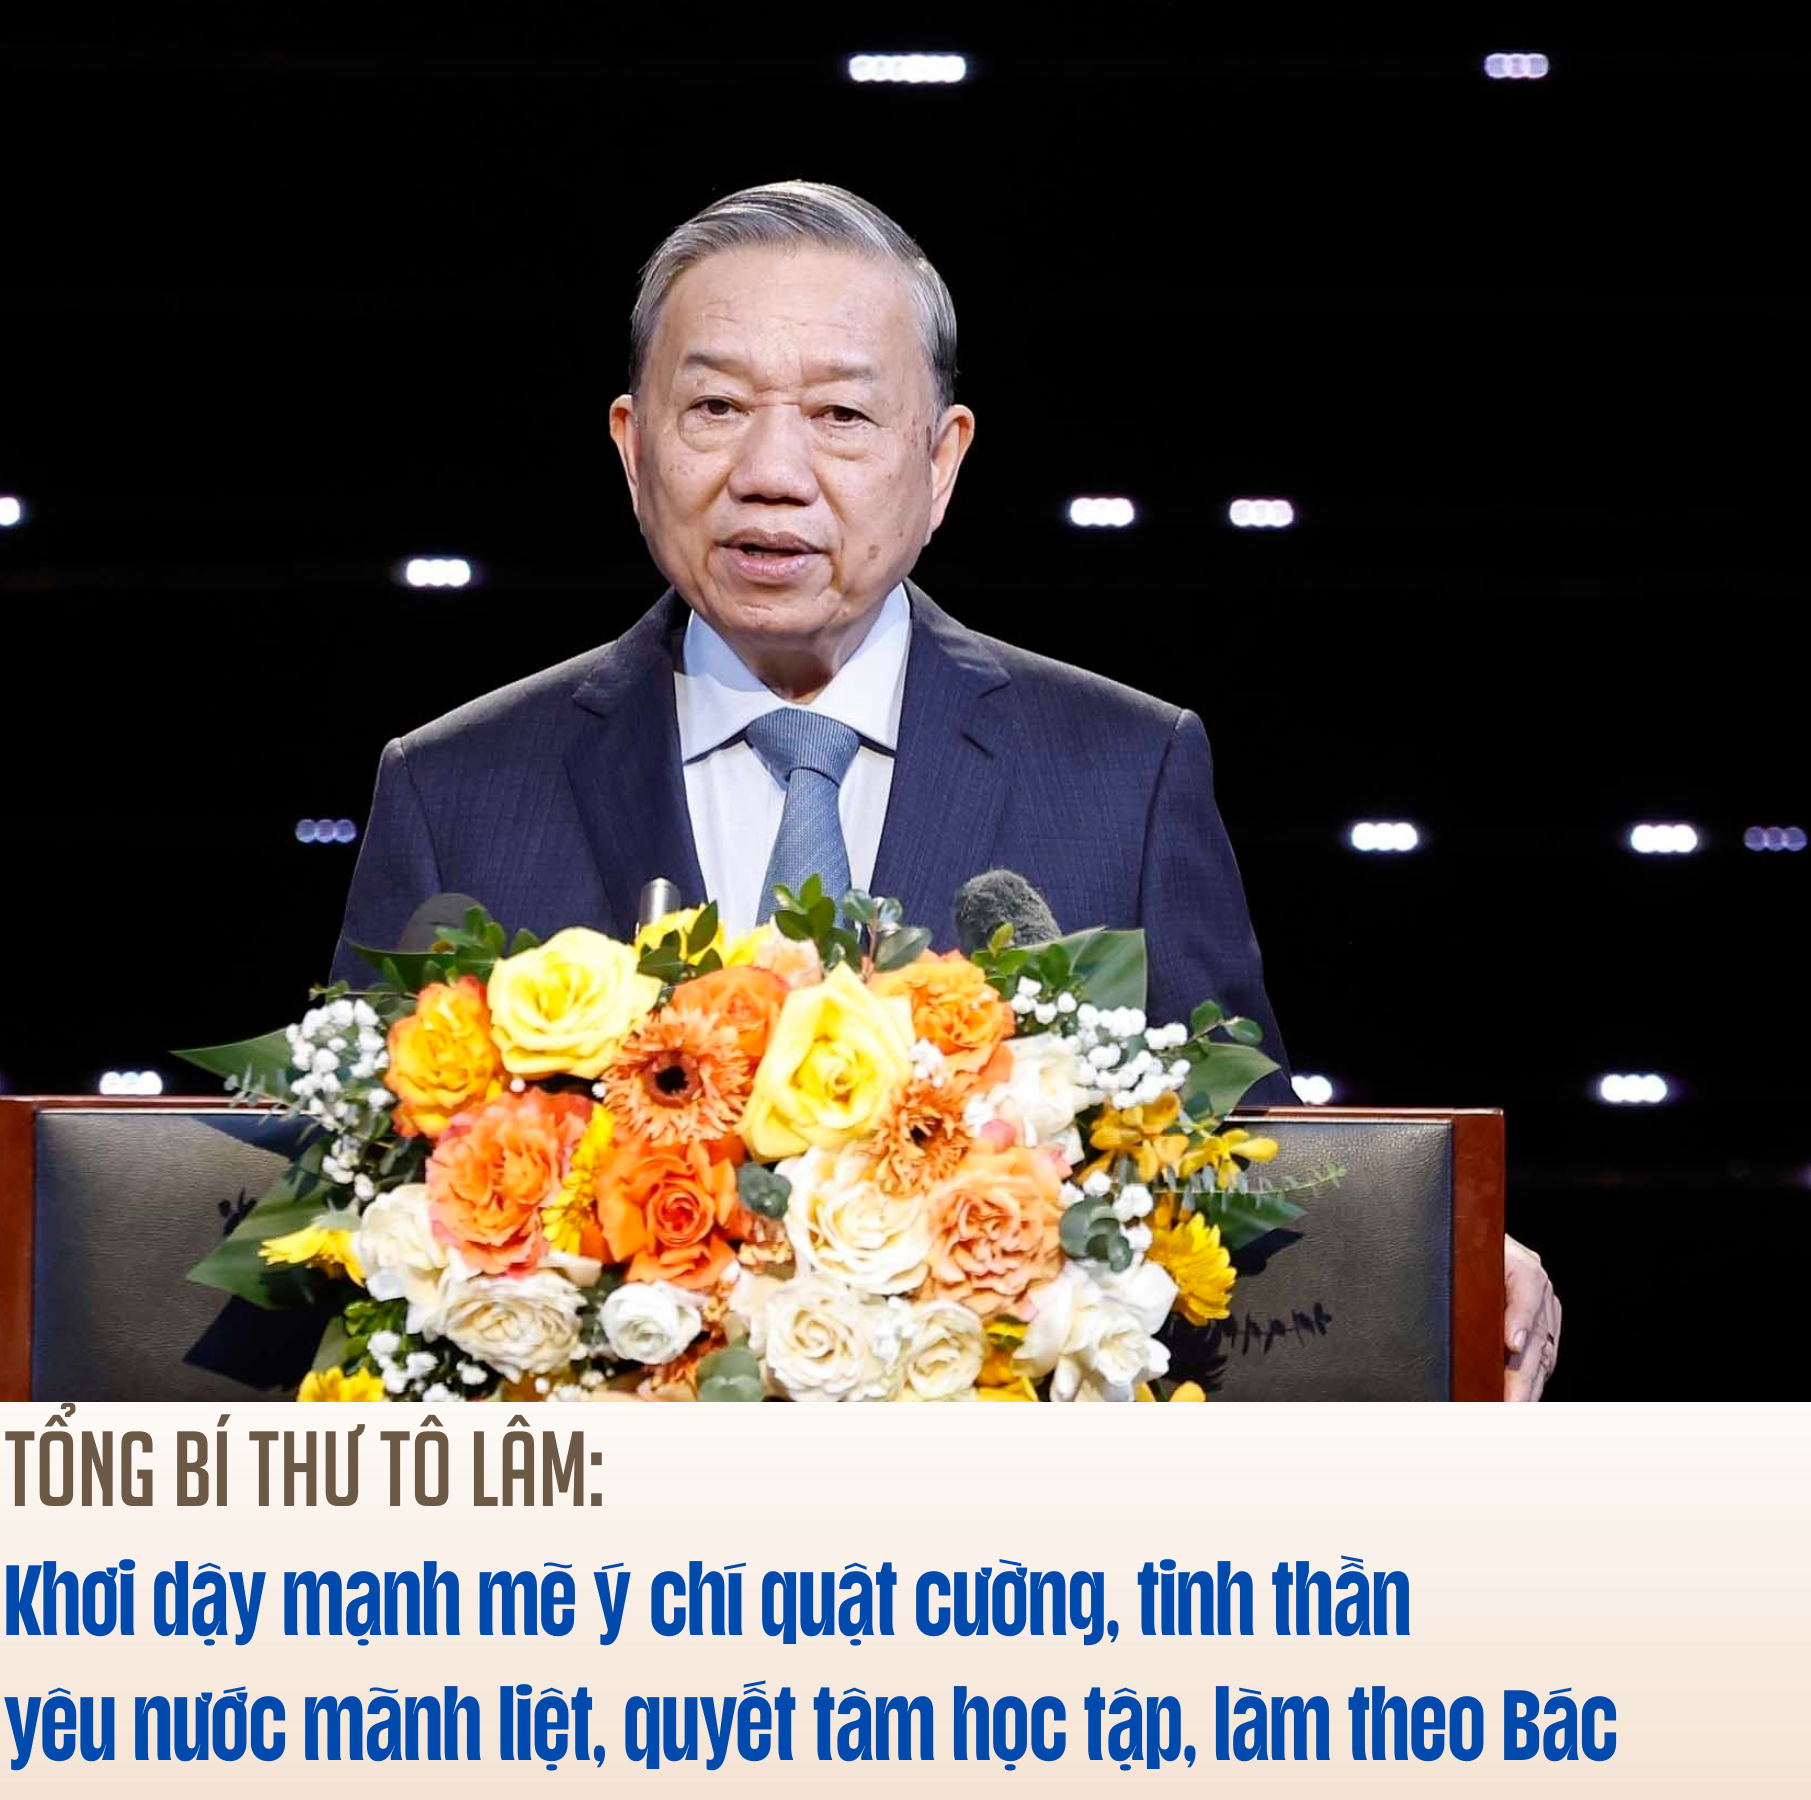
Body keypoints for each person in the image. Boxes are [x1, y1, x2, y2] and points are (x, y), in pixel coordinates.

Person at [332, 180, 1562, 1400]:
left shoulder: (1123, 774)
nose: (771, 471)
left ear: (939, 462)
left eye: (839, 414)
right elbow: (345, 1207)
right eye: (714, 407)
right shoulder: (456, 791)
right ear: (632, 447)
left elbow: (1241, 1167)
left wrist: (1432, 1269)